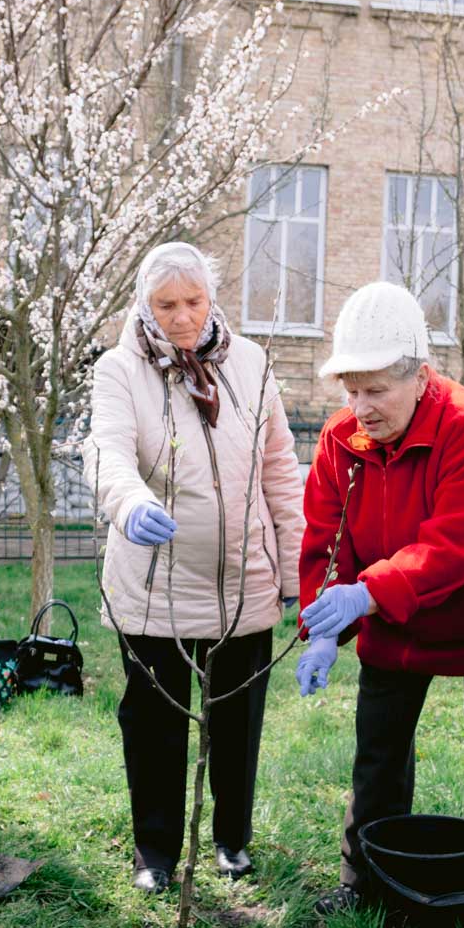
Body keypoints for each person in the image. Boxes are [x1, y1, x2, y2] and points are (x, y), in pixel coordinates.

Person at [296, 282, 464, 928]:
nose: (361, 408)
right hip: (395, 614)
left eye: (377, 390)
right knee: (378, 752)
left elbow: (454, 545)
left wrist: (366, 595)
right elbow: (328, 541)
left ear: (420, 375)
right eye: (351, 390)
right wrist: (322, 625)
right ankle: (365, 881)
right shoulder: (342, 441)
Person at [85, 242, 305, 894]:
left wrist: (297, 570)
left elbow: (279, 469)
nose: (182, 317)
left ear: (212, 299)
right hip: (154, 585)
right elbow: (106, 452)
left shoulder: (252, 363)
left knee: (237, 722)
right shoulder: (120, 370)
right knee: (153, 725)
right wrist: (128, 503)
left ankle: (232, 840)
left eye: (194, 301)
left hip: (244, 582)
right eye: (166, 305)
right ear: (143, 306)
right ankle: (155, 853)